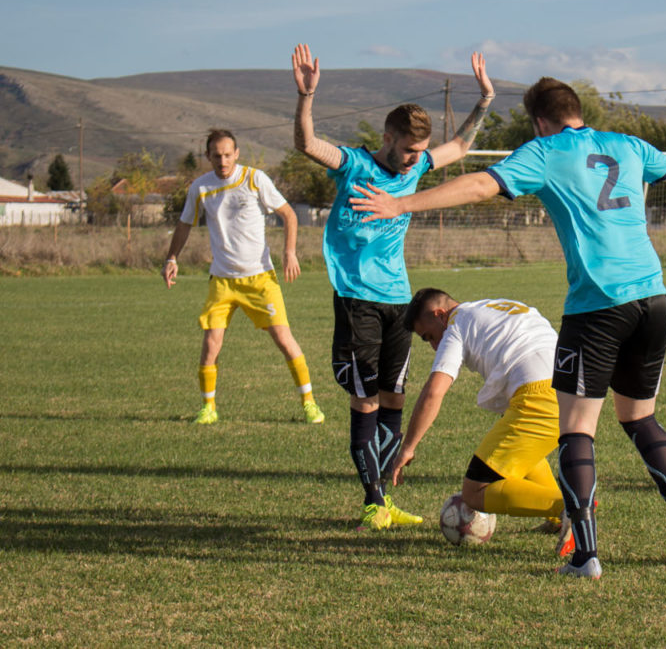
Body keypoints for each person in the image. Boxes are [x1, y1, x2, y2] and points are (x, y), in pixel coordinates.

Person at [349, 76, 666, 578]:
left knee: (576, 430)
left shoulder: (544, 151)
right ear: (576, 110)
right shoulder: (625, 145)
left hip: (597, 304)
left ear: (540, 121)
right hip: (653, 297)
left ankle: (586, 554)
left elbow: (480, 184)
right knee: (639, 419)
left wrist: (401, 204)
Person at [291, 43, 494, 531]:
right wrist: (306, 98)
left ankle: (385, 497)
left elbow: (462, 146)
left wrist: (484, 100)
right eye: (407, 150)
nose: (414, 161)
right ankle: (372, 503)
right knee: (363, 401)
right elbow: (307, 144)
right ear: (387, 137)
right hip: (357, 298)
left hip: (398, 302)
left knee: (393, 397)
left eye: (420, 152)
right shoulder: (354, 164)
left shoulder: (418, 164)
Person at [163, 129, 324, 427]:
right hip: (222, 281)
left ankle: (309, 403)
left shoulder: (254, 179)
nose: (222, 161)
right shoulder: (200, 187)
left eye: (227, 154)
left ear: (236, 154)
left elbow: (288, 214)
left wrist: (290, 253)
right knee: (211, 344)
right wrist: (172, 257)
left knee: (284, 340)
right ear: (208, 156)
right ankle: (208, 408)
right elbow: (185, 224)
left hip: (260, 279)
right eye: (216, 155)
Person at [395, 288, 573, 555]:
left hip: (539, 396)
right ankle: (560, 517)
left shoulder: (456, 325)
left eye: (430, 336)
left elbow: (434, 391)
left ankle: (570, 508)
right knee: (515, 449)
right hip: (570, 387)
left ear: (440, 314)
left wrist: (408, 447)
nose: (434, 346)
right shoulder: (494, 305)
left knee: (475, 490)